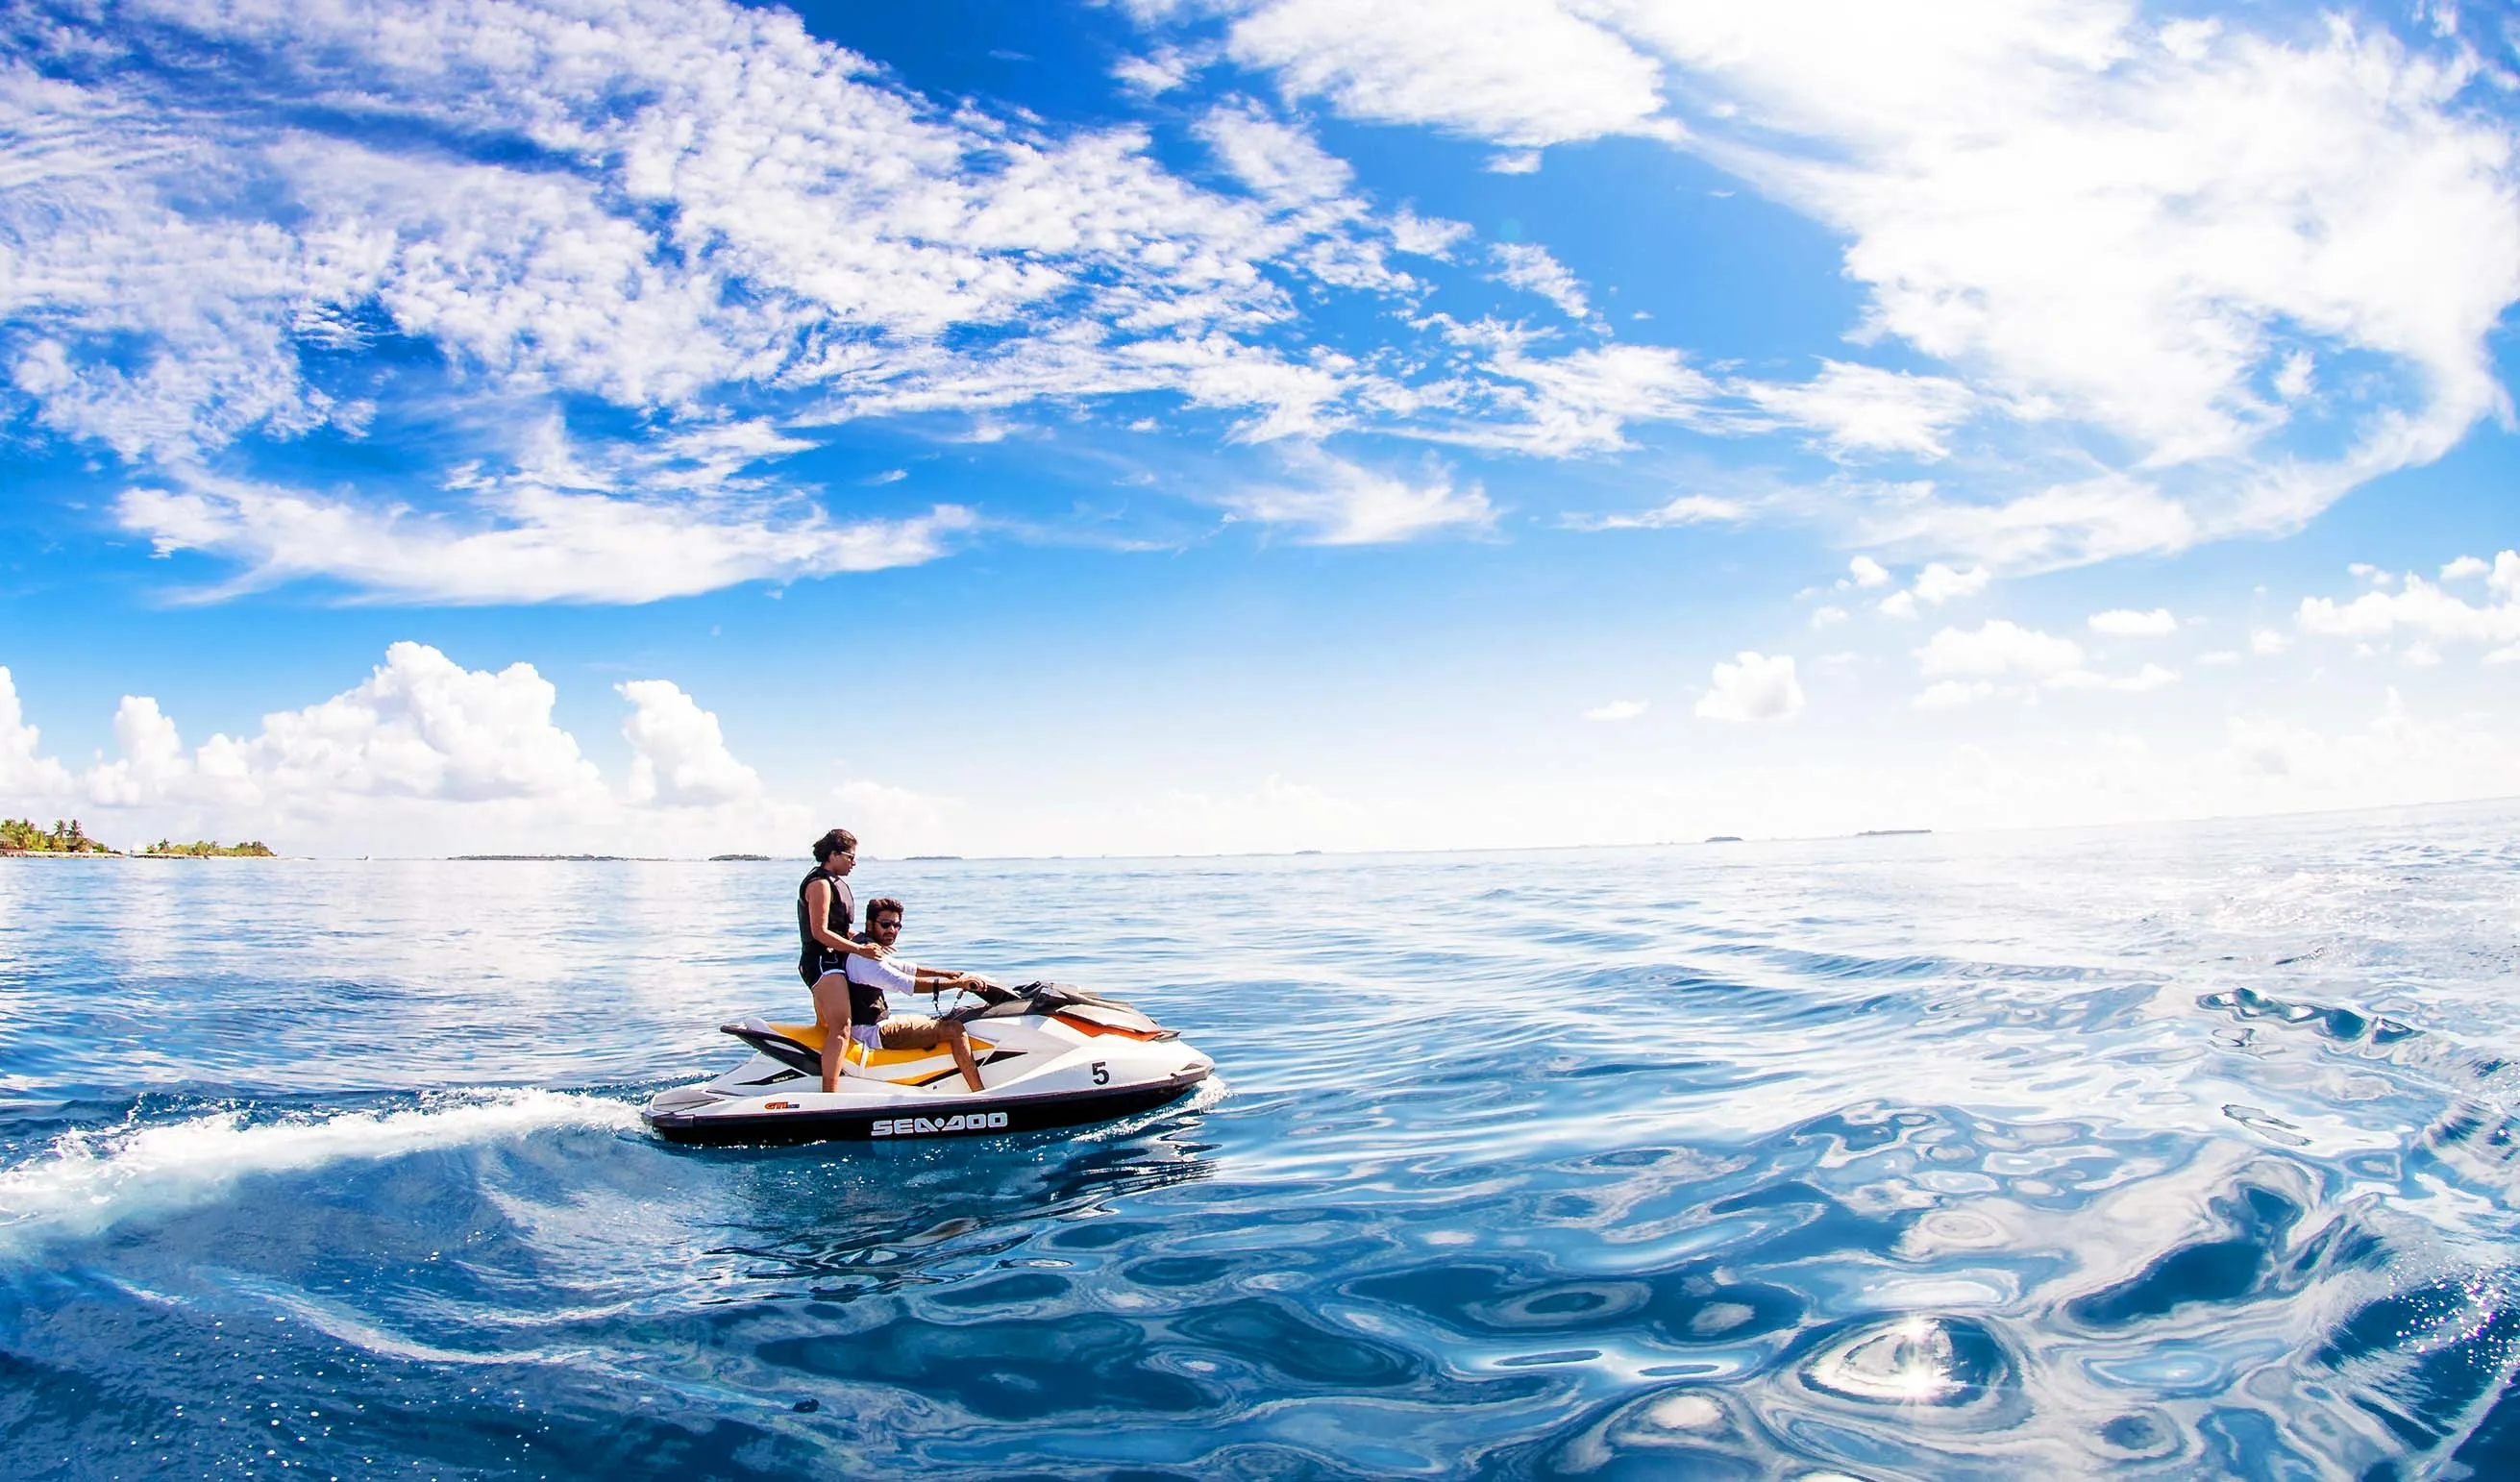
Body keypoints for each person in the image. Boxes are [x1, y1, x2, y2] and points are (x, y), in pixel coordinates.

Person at [840, 897, 990, 1093]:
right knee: (955, 1029)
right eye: (885, 924)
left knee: (950, 1017)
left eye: (897, 925)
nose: (892, 930)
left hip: (878, 1023)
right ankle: (980, 1094)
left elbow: (903, 967)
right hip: (870, 1033)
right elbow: (905, 983)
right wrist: (956, 984)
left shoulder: (866, 946)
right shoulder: (865, 959)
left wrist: (947, 974)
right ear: (869, 924)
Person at [799, 828, 888, 1093]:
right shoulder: (820, 884)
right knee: (841, 1027)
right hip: (821, 963)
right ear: (833, 855)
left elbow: (840, 930)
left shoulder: (835, 884)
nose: (854, 862)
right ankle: (830, 1093)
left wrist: (868, 942)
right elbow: (820, 932)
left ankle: (824, 1074)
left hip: (832, 961)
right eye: (850, 856)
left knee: (829, 1027)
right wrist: (860, 951)